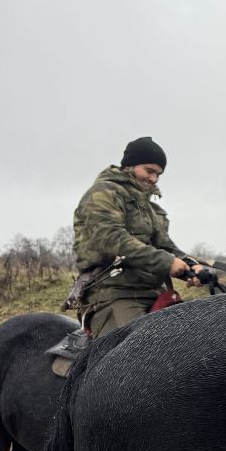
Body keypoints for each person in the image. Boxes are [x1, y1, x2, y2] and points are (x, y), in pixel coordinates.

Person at [72, 136, 200, 337]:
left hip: (152, 291)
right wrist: (167, 262)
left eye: (158, 174)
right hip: (113, 293)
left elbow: (165, 246)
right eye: (149, 171)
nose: (154, 179)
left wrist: (190, 266)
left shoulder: (151, 208)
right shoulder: (103, 194)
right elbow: (110, 239)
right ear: (130, 166)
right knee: (137, 357)